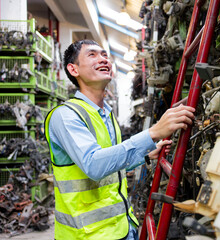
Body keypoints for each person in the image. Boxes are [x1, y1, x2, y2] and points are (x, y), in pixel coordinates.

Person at [44, 39, 195, 240]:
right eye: (92, 55)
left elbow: (112, 163)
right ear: (73, 69)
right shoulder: (65, 115)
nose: (103, 59)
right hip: (87, 235)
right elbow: (94, 165)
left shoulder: (105, 114)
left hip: (122, 227)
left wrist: (146, 154)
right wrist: (153, 133)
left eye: (105, 55)